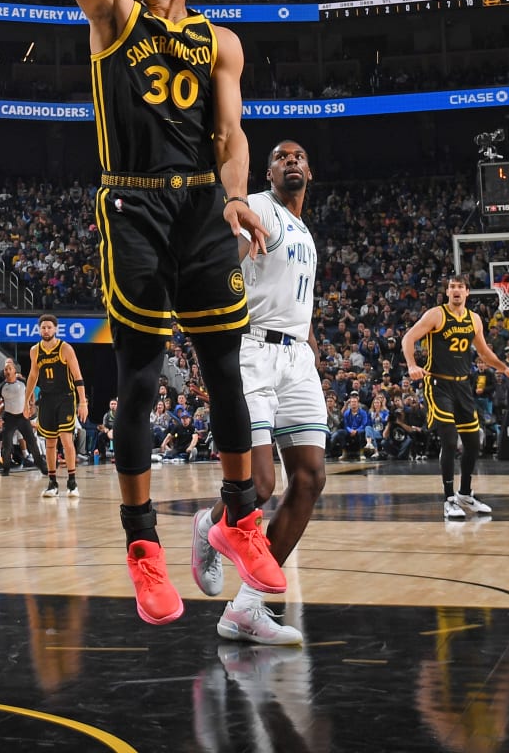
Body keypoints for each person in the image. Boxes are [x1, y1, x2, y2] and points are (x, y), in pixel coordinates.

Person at [0, 0, 267, 626]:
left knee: (225, 373)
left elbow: (232, 135)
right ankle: (143, 547)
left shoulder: (221, 43)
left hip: (205, 204)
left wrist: (237, 196)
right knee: (137, 379)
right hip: (133, 201)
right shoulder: (113, 14)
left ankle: (241, 519)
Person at [191, 141, 329, 646]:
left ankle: (246, 608)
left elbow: (298, 301)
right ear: (268, 171)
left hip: (297, 358)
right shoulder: (252, 209)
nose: (291, 160)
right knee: (261, 486)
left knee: (311, 478)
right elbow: (219, 261)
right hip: (252, 351)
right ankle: (210, 525)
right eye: (280, 156)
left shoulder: (306, 233)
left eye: (299, 155)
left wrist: (311, 351)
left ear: (309, 171)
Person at [401, 275, 509, 518]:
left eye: (460, 287)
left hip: (463, 385)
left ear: (467, 293)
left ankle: (465, 494)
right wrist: (412, 365)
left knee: (474, 443)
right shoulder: (436, 314)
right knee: (448, 438)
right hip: (438, 384)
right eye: (452, 287)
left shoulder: (474, 319)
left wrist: (504, 368)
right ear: (447, 293)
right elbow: (408, 338)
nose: (456, 291)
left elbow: (484, 352)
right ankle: (448, 499)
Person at [29, 316, 86, 496]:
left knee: (66, 439)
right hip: (46, 399)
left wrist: (83, 402)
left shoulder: (65, 348)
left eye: (49, 327)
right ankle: (52, 482)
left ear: (55, 329)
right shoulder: (35, 351)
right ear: (39, 330)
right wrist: (26, 402)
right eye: (43, 327)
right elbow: (32, 377)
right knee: (50, 442)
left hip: (66, 397)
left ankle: (72, 482)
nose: (46, 330)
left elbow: (77, 375)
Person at [0, 356, 48, 475]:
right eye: (5, 369)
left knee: (32, 443)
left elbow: (31, 390)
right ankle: (6, 468)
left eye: (9, 368)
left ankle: (41, 466)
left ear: (14, 370)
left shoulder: (22, 382)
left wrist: (31, 404)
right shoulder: (1, 386)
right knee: (7, 445)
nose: (7, 371)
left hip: (23, 417)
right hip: (9, 418)